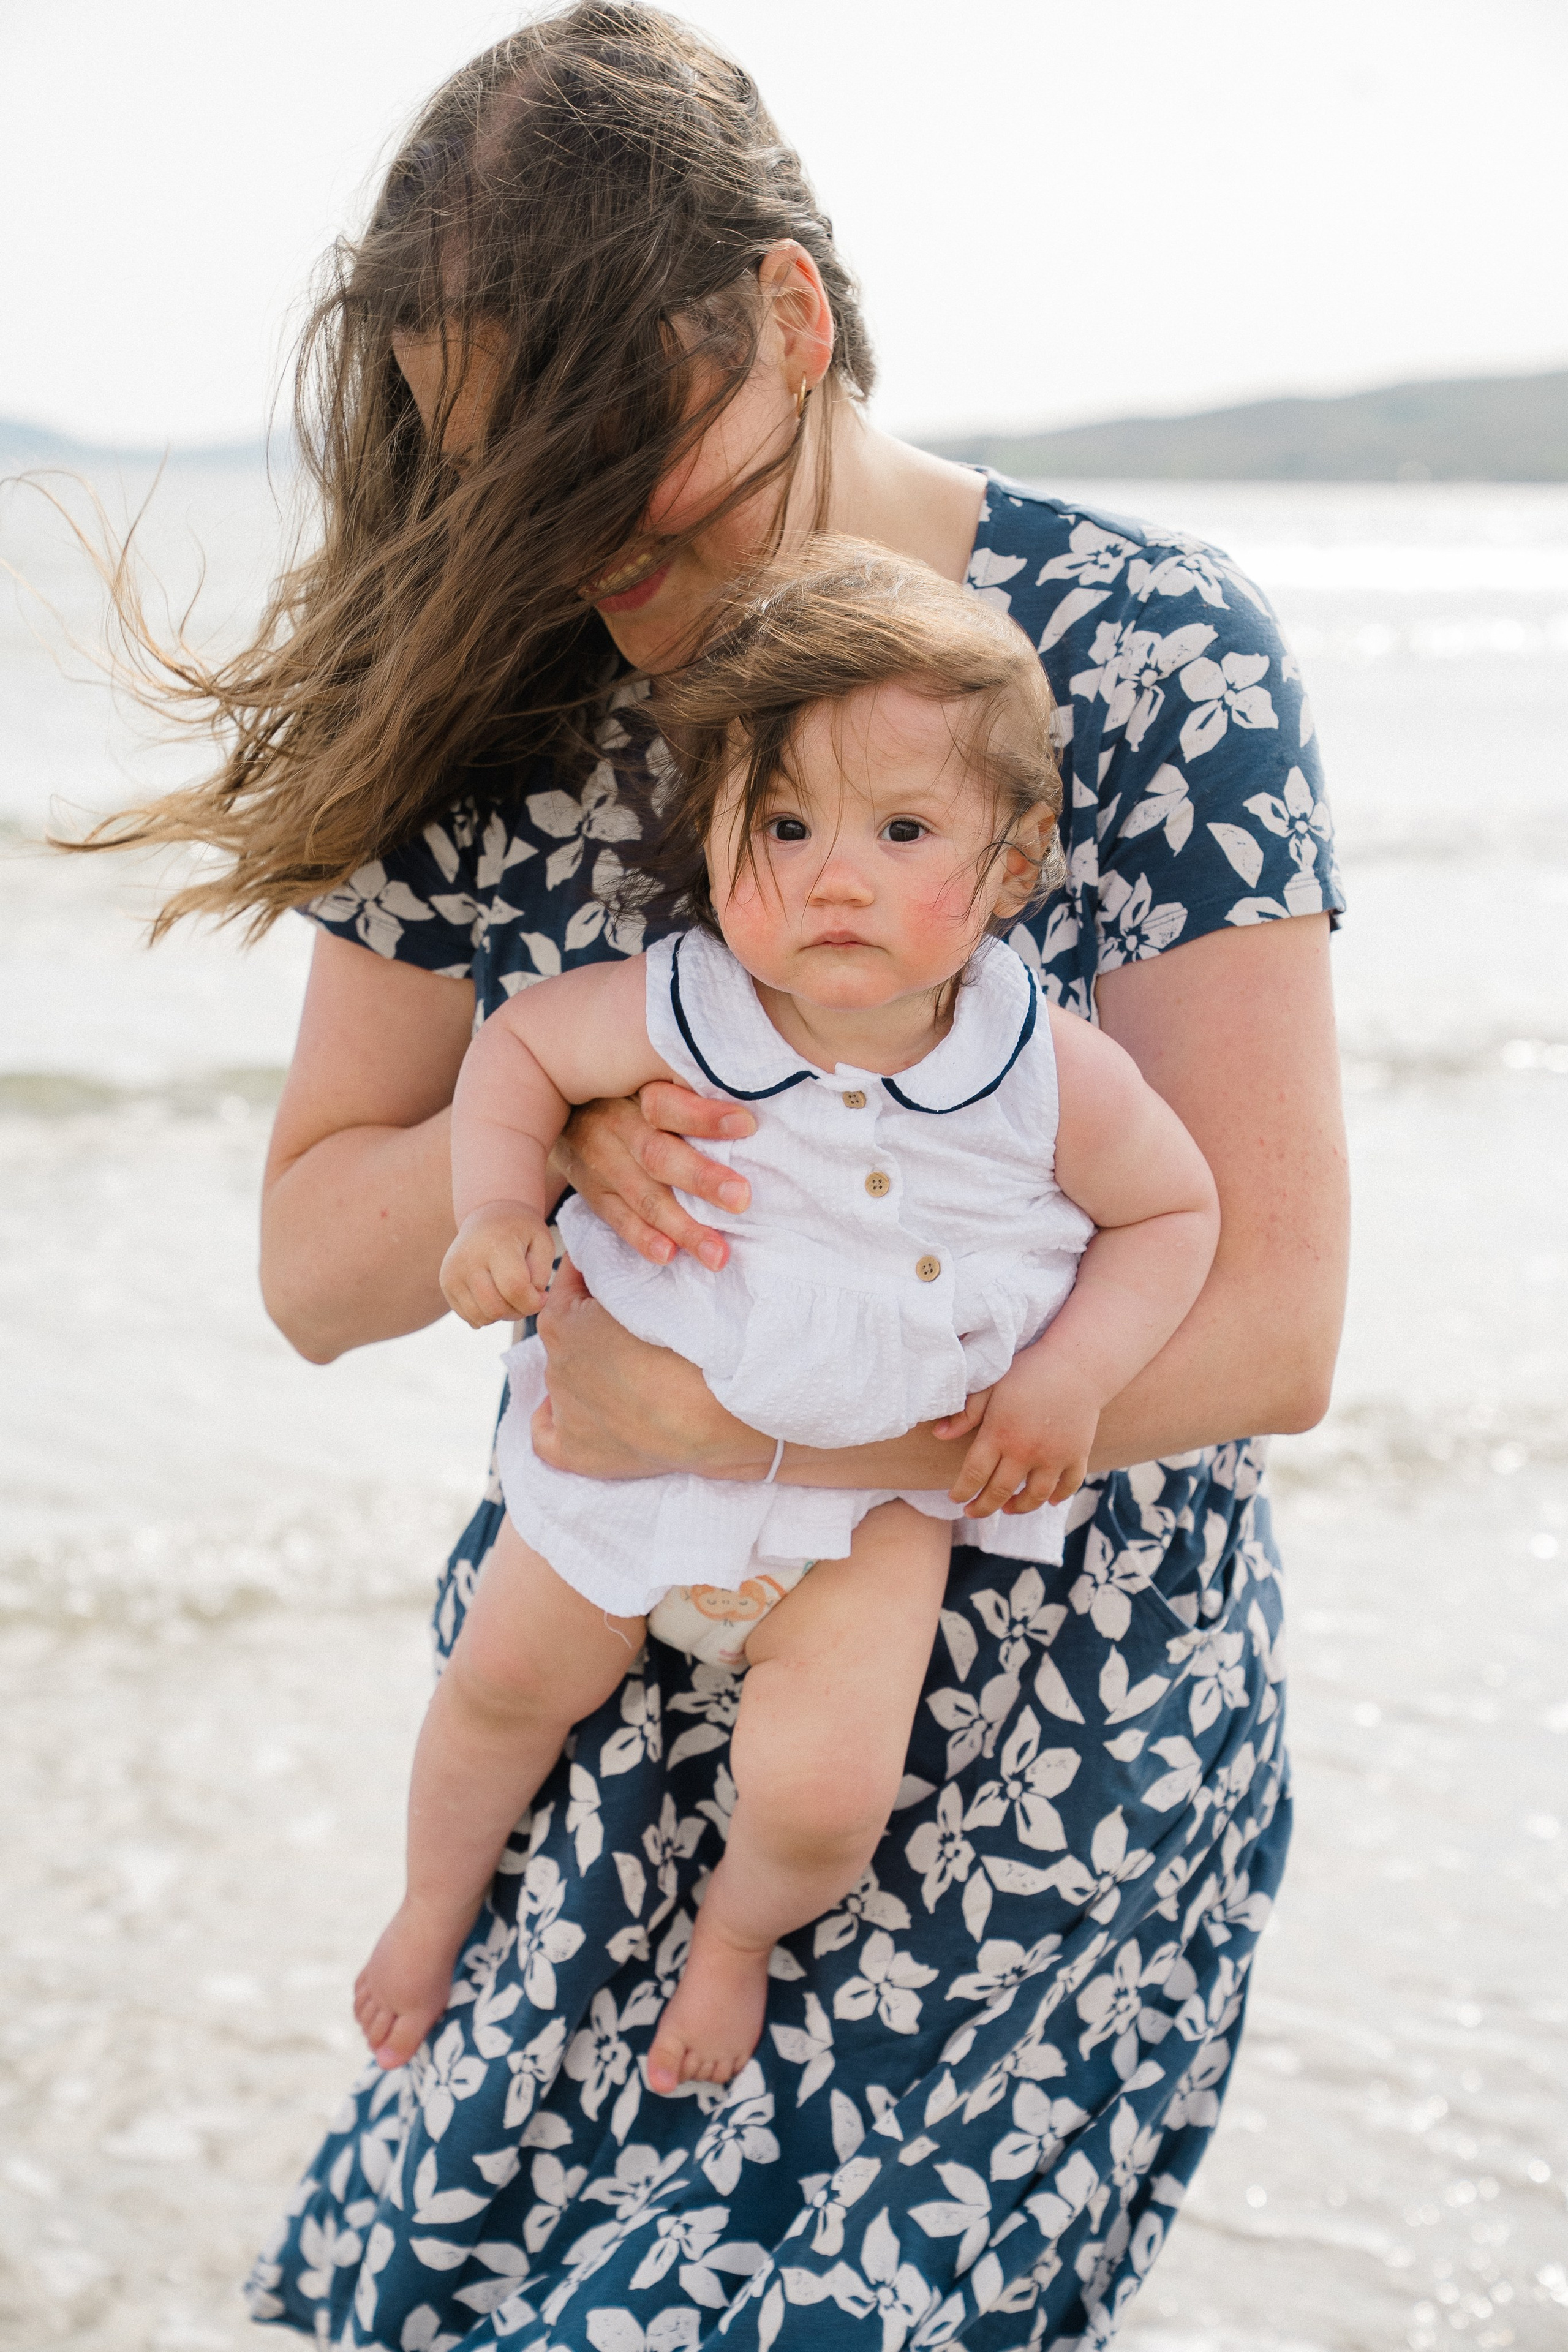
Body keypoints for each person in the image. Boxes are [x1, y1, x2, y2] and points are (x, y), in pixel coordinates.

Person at [83, 7, 1347, 2342]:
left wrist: (777, 1442)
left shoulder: (1152, 659)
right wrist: (555, 1137)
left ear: (789, 318)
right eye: (513, 497)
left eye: (629, 488)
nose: (591, 576)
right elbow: (309, 1261)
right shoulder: (512, 687)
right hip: (605, 1708)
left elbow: (1269, 1324)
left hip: (1043, 1774)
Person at [353, 547, 1221, 2100]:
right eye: (784, 826)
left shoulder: (1044, 1067)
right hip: (614, 1464)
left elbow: (1174, 1216)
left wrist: (1069, 1381)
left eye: (902, 833)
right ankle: (429, 1907)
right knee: (499, 1690)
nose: (836, 875)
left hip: (871, 1498)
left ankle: (735, 1941)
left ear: (1012, 867)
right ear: (713, 835)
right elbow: (517, 1062)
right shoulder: (687, 1003)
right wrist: (495, 1211)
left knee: (825, 1792)